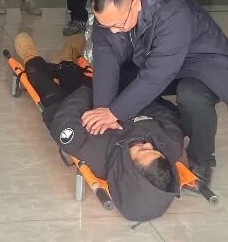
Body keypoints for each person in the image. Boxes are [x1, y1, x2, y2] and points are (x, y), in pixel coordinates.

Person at [86, 0, 228, 185]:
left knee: (192, 96)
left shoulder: (173, 14)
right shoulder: (110, 11)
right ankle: (163, 119)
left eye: (117, 25)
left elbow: (156, 76)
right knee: (121, 85)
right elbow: (106, 61)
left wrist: (115, 112)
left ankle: (202, 159)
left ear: (136, 4)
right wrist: (104, 110)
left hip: (205, 63)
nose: (112, 31)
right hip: (157, 60)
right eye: (105, 25)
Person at [12, 33, 185, 222]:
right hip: (112, 101)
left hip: (68, 108)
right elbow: (162, 110)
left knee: (37, 73)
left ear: (128, 168)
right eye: (154, 150)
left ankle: (30, 55)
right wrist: (119, 109)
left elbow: (64, 120)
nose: (148, 144)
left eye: (142, 150)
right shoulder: (171, 143)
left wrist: (96, 103)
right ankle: (66, 58)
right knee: (74, 73)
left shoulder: (97, 155)